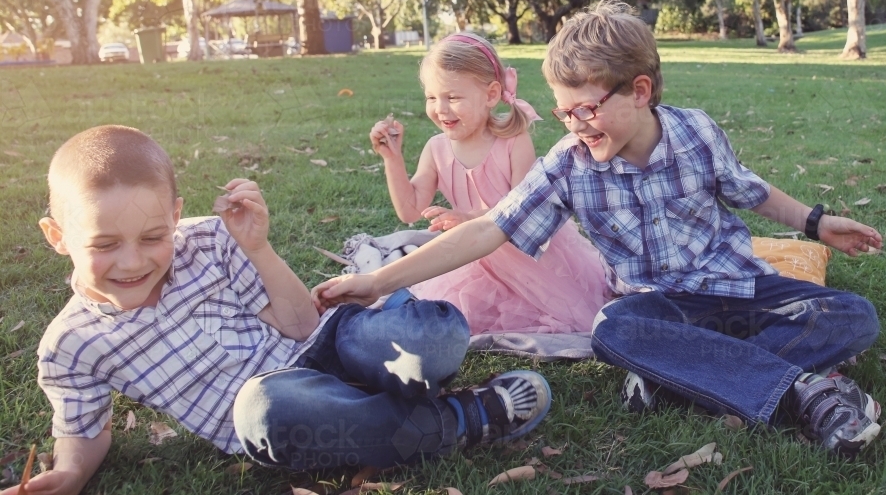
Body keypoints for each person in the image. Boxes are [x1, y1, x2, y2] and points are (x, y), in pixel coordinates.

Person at [314, 0, 885, 459]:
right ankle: (805, 391)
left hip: (737, 286)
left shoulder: (696, 133)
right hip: (659, 305)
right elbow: (489, 229)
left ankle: (678, 374)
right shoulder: (570, 162)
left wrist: (817, 221)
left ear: (639, 91)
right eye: (564, 113)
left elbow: (748, 189)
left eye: (586, 109)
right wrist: (377, 282)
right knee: (613, 330)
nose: (576, 125)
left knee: (852, 315)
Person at [7, 125, 550, 495]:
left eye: (154, 236)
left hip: (323, 353)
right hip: (283, 414)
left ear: (176, 214)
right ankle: (456, 419)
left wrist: (258, 248)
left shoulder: (210, 240)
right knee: (265, 406)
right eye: (104, 245)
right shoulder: (70, 344)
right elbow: (82, 428)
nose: (132, 261)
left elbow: (301, 327)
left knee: (432, 334)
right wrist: (71, 474)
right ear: (58, 236)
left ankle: (392, 389)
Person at [368, 32, 609, 334]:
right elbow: (409, 210)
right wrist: (393, 160)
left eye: (453, 97)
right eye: (432, 97)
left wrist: (470, 218)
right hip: (470, 255)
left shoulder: (512, 142)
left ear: (491, 95)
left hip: (526, 255)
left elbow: (526, 211)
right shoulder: (436, 148)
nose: (440, 109)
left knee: (566, 314)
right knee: (445, 313)